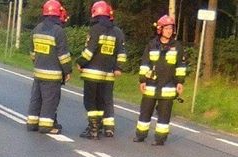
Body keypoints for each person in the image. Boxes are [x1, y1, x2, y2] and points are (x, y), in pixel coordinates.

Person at [133, 15, 186, 146]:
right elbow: (145, 64)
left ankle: (160, 139)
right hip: (151, 85)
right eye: (167, 28)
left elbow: (180, 66)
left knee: (164, 115)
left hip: (168, 86)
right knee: (145, 112)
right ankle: (141, 135)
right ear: (160, 29)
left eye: (171, 28)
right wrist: (142, 80)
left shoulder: (177, 47)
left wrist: (180, 82)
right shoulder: (152, 45)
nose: (169, 31)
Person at [76, 1, 126, 139]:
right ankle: (103, 129)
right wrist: (118, 67)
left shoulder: (95, 29)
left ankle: (93, 130)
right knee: (103, 101)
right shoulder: (118, 32)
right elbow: (122, 53)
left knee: (90, 102)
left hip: (92, 73)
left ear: (95, 13)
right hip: (108, 75)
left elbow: (89, 51)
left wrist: (80, 62)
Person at [26, 0, 72, 134]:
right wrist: (67, 71)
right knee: (49, 101)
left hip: (38, 72)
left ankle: (32, 123)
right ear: (58, 14)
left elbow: (32, 53)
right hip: (52, 75)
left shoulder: (36, 29)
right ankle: (46, 126)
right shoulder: (58, 31)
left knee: (36, 98)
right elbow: (63, 55)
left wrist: (38, 63)